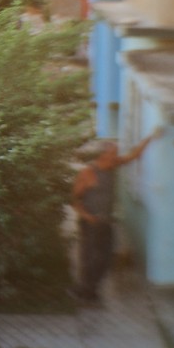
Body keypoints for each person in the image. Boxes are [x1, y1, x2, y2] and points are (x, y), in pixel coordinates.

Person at [69, 130, 162, 303]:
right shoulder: (87, 173)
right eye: (113, 153)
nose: (116, 156)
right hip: (90, 223)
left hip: (106, 222)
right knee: (89, 258)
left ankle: (89, 288)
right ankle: (84, 291)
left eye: (116, 153)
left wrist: (150, 137)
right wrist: (87, 216)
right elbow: (75, 199)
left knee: (106, 258)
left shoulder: (113, 165)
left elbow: (134, 155)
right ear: (104, 154)